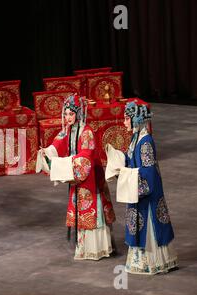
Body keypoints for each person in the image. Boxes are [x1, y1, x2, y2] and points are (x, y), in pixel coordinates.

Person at [39, 94, 116, 260]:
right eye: (65, 114)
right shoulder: (68, 129)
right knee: (80, 208)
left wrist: (68, 164)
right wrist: (47, 151)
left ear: (78, 114)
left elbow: (86, 156)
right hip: (76, 172)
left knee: (90, 208)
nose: (67, 118)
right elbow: (57, 143)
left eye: (71, 114)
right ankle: (84, 247)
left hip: (89, 176)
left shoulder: (86, 132)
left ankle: (96, 248)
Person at [108, 101, 178, 274]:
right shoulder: (136, 137)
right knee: (138, 223)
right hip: (137, 187)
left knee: (148, 224)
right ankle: (143, 262)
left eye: (126, 119)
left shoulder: (145, 142)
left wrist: (128, 176)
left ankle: (152, 262)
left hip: (146, 192)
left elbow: (149, 173)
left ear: (136, 120)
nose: (124, 122)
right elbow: (132, 160)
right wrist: (117, 157)